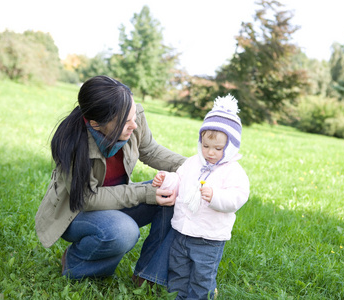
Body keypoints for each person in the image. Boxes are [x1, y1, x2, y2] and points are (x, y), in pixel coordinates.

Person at [34, 75, 186, 285]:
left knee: (171, 193)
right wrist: (146, 193)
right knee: (123, 231)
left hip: (117, 201)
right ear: (96, 124)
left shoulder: (131, 116)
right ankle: (76, 263)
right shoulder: (72, 144)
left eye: (134, 116)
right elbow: (87, 199)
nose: (134, 124)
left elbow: (149, 149)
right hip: (76, 213)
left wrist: (193, 167)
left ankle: (147, 275)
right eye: (126, 121)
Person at [152, 94, 250, 299]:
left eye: (218, 148)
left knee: (202, 276)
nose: (210, 153)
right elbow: (180, 180)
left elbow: (238, 197)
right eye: (205, 146)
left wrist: (215, 196)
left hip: (208, 237)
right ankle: (177, 296)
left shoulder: (233, 171)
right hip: (183, 231)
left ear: (231, 147)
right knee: (178, 270)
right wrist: (166, 180)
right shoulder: (192, 162)